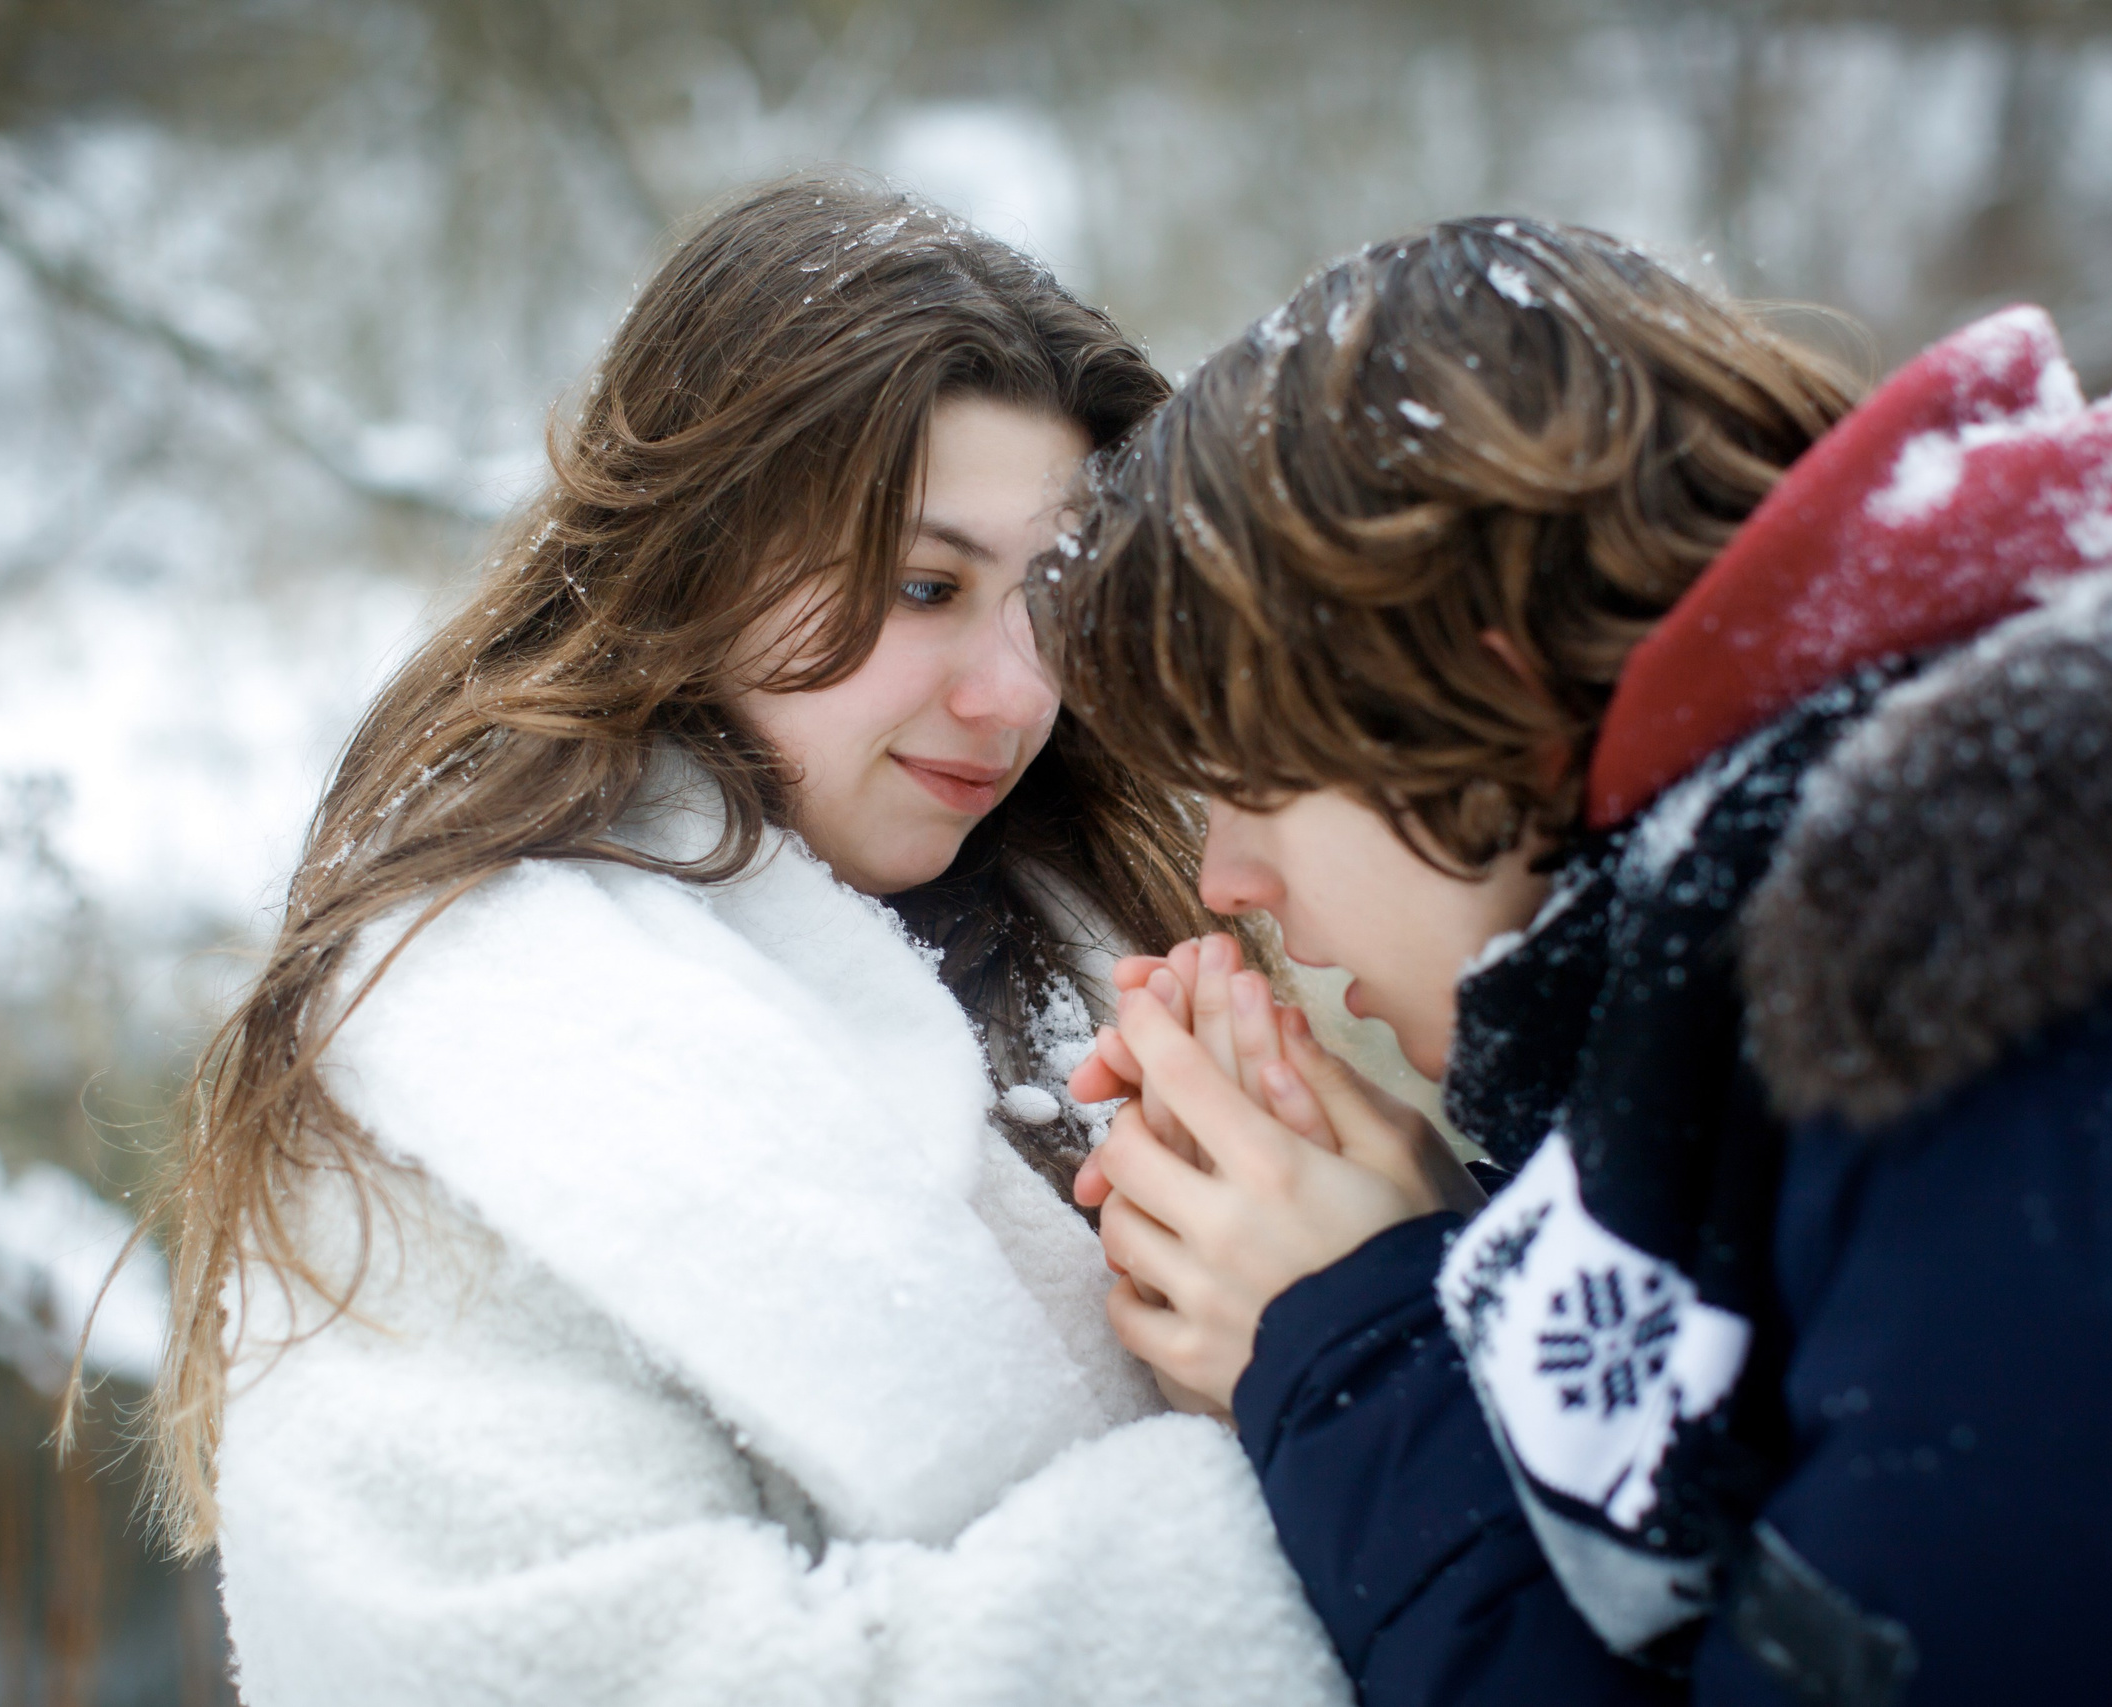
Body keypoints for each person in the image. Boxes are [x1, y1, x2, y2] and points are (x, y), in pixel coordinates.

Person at [1043, 214, 2112, 1704]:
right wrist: (1441, 1264)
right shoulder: (1928, 944)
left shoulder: (2044, 1049)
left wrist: (1352, 1357)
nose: (1227, 880)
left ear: (1485, 682)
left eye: (1257, 785)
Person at [136, 178, 1349, 1707]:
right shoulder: (467, 1057)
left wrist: (1331, 1307)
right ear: (700, 556)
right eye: (926, 585)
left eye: (1055, 597)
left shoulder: (1106, 953)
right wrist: (1349, 1481)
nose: (1013, 695)